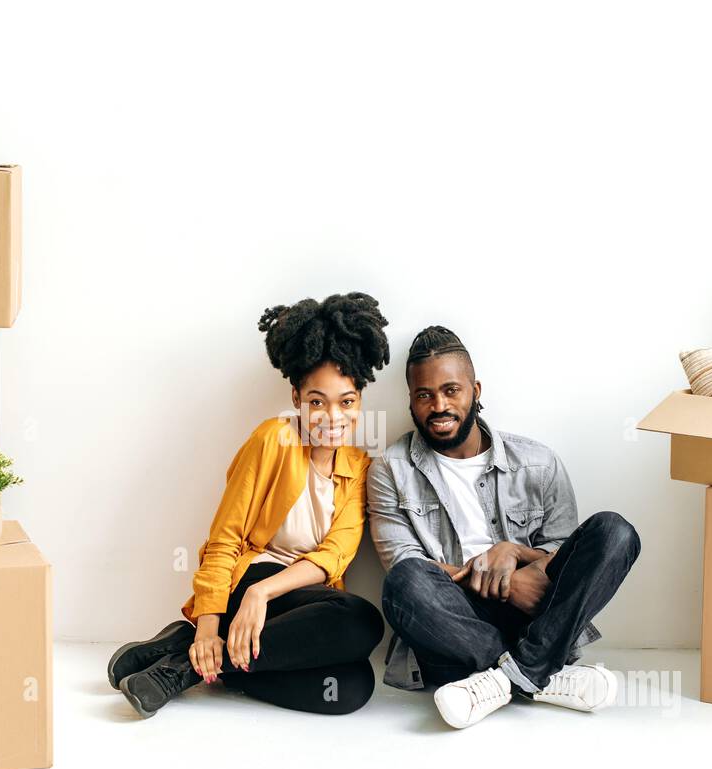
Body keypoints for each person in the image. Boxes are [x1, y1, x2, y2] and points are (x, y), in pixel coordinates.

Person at [108, 292, 391, 717]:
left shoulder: (359, 468)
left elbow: (334, 557)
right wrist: (210, 619)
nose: (332, 417)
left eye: (346, 401)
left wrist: (264, 594)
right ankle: (190, 659)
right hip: (246, 583)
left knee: (352, 687)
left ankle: (189, 657)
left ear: (360, 402)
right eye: (317, 401)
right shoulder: (271, 440)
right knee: (363, 619)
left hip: (291, 599)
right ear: (296, 398)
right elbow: (224, 538)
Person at [367, 326, 641, 729]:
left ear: (475, 390)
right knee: (405, 584)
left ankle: (504, 678)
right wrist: (503, 581)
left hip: (538, 614)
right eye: (424, 395)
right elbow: (406, 563)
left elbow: (564, 556)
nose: (438, 405)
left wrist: (514, 552)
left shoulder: (538, 462)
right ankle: (540, 674)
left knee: (615, 532)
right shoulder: (391, 469)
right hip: (455, 622)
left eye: (451, 390)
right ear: (411, 400)